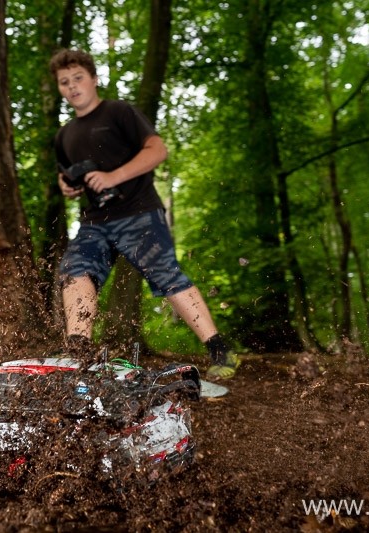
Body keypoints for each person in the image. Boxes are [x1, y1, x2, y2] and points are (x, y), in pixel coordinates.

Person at [48, 48, 239, 380]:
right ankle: (78, 354)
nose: (72, 86)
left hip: (138, 212)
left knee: (166, 275)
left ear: (94, 79)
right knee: (75, 270)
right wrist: (67, 185)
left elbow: (158, 150)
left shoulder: (118, 112)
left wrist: (113, 176)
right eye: (64, 82)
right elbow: (65, 175)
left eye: (78, 78)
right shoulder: (64, 135)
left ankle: (220, 351)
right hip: (94, 221)